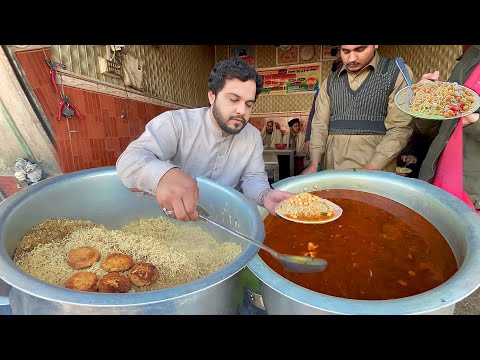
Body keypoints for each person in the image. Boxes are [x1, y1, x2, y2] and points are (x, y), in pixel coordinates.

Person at [116, 57, 294, 221]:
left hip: (225, 222)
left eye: (249, 104)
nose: (242, 110)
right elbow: (130, 159)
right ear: (212, 96)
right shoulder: (176, 123)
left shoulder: (253, 136)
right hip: (173, 222)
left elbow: (253, 178)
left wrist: (264, 195)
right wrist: (163, 175)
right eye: (233, 99)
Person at [302, 45, 414, 175]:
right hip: (334, 168)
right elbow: (319, 124)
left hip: (378, 170)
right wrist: (314, 163)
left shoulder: (396, 73)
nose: (352, 58)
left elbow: (400, 128)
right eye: (346, 51)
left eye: (360, 50)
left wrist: (371, 168)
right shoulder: (330, 82)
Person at [416, 45, 480, 211]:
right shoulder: (471, 55)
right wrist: (429, 98)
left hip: (472, 198)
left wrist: (474, 121)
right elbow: (435, 127)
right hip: (438, 181)